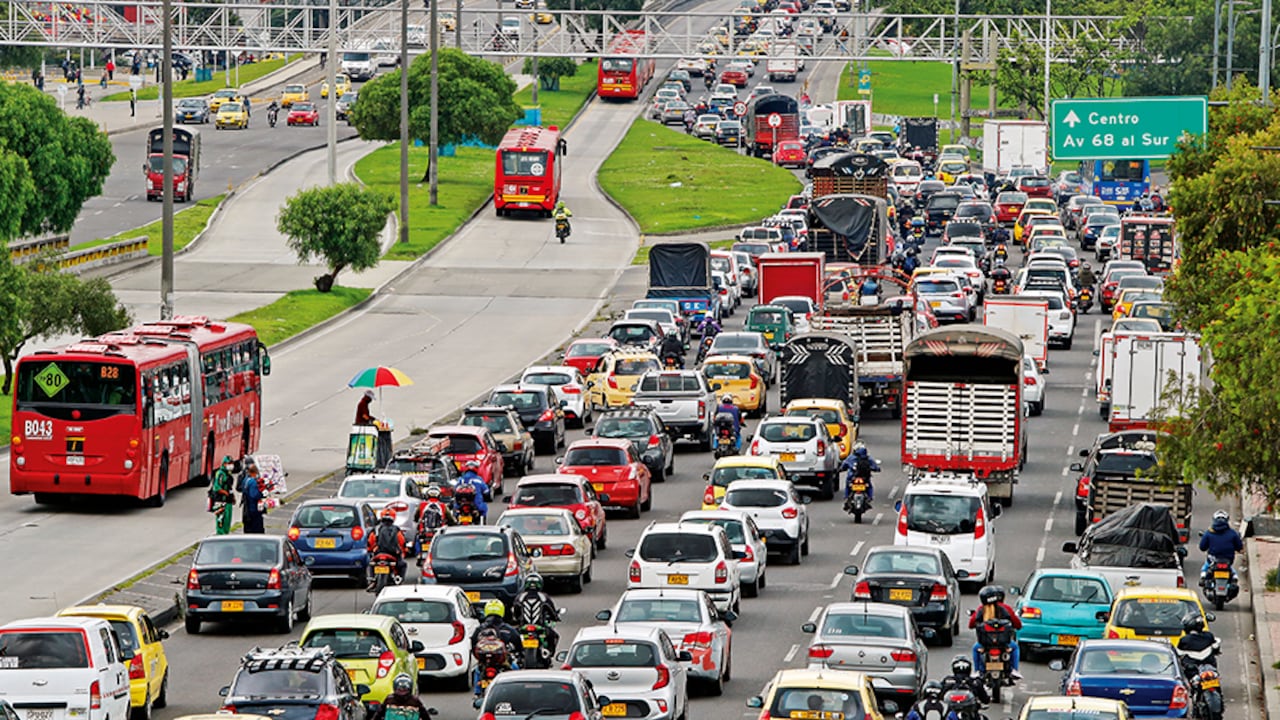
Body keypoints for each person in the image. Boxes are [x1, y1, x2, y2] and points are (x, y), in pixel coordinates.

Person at [968, 585, 1022, 679]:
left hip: (985, 643)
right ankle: (1014, 669)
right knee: (1015, 647)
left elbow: (971, 624)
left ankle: (977, 671)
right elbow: (1017, 624)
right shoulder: (1005, 609)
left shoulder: (981, 609)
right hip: (1004, 643)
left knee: (975, 649)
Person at [512, 573, 561, 655]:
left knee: (513, 638)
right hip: (540, 627)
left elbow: (516, 613)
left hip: (523, 627)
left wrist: (517, 620)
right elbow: (551, 611)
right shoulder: (544, 597)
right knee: (554, 636)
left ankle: (517, 654)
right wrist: (555, 617)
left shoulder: (520, 597)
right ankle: (549, 653)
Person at [1199, 509, 1243, 578]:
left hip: (1212, 560)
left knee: (1205, 568)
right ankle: (1234, 578)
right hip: (1228, 560)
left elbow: (1202, 547)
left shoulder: (1209, 533)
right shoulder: (1233, 533)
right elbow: (1239, 547)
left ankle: (1203, 577)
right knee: (1232, 572)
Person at [368, 507, 407, 581]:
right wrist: (404, 550)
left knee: (371, 563)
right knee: (403, 565)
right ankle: (399, 579)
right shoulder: (396, 530)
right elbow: (402, 543)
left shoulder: (376, 529)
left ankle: (372, 578)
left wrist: (371, 549)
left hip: (378, 553)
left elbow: (370, 543)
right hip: (393, 554)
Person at [208, 455, 236, 535]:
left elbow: (229, 487)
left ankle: (226, 535)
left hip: (228, 501)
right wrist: (225, 493)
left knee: (227, 521)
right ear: (224, 464)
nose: (231, 465)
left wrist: (232, 496)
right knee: (221, 521)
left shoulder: (228, 474)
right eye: (228, 463)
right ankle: (220, 536)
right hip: (221, 502)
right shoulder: (220, 474)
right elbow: (217, 487)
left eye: (231, 463)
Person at [240, 457, 265, 534]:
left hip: (246, 509)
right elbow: (254, 495)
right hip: (253, 510)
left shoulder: (245, 480)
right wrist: (262, 493)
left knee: (247, 530)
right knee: (257, 530)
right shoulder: (253, 482)